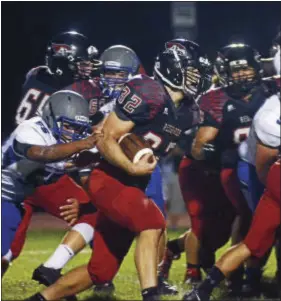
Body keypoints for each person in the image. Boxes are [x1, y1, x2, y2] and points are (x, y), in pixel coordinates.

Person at [25, 38, 211, 301]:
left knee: (100, 271)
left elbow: (176, 144)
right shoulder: (148, 91)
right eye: (192, 72)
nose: (198, 79)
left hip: (133, 185)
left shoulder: (189, 112)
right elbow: (105, 137)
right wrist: (130, 166)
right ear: (173, 68)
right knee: (153, 221)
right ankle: (151, 295)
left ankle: (40, 299)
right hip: (110, 178)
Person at [183, 50, 281, 301]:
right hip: (240, 168)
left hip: (266, 167)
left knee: (258, 225)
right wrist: (206, 152)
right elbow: (200, 145)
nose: (242, 74)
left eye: (246, 68)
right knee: (250, 221)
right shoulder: (216, 99)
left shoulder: (270, 91)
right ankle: (240, 278)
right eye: (235, 70)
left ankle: (249, 277)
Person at [1, 90, 99, 277]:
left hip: (16, 199)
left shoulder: (78, 142)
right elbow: (43, 154)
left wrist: (86, 202)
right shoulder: (31, 130)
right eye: (68, 127)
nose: (73, 134)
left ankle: (51, 271)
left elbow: (89, 178)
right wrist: (82, 145)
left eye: (78, 129)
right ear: (50, 117)